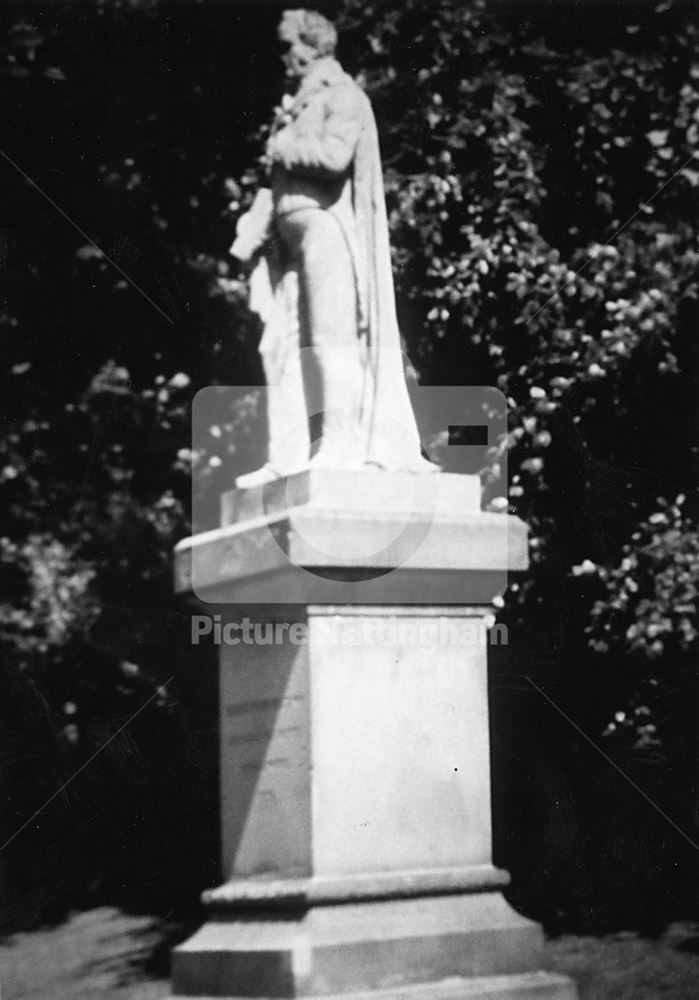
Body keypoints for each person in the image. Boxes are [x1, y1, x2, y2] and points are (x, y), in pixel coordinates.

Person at [231, 8, 434, 488]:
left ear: (313, 45)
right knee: (281, 346)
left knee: (329, 341)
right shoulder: (295, 104)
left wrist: (283, 149)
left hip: (327, 231)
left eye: (289, 46)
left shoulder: (342, 95)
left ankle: (341, 444)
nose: (284, 57)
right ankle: (287, 454)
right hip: (286, 243)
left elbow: (334, 156)